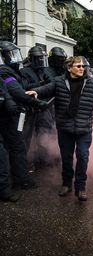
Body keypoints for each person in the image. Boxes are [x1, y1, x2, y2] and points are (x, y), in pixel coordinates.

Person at [26, 56, 93, 201]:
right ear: (69, 68)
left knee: (83, 157)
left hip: (84, 129)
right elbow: (46, 89)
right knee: (66, 158)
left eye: (83, 66)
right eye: (78, 66)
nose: (82, 68)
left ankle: (80, 187)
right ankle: (66, 184)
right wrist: (36, 91)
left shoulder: (92, 84)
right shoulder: (59, 82)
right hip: (65, 128)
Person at [0, 41, 48, 190]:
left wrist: (37, 88)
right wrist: (37, 103)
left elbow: (21, 87)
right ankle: (20, 180)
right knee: (17, 146)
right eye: (10, 55)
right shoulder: (4, 71)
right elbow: (16, 91)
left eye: (15, 54)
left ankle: (18, 178)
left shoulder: (12, 71)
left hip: (13, 115)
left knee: (16, 146)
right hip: (8, 117)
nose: (15, 57)